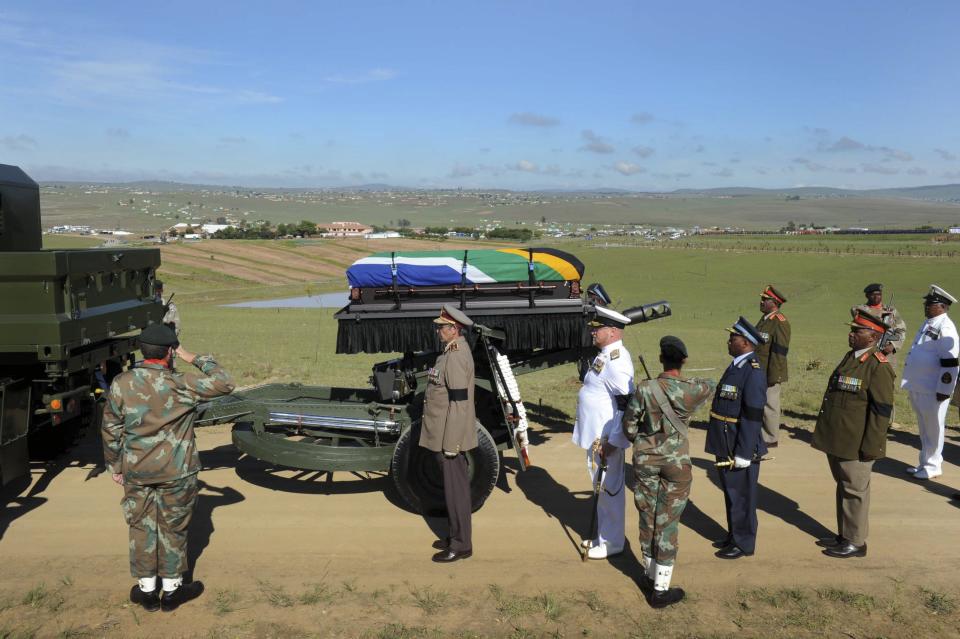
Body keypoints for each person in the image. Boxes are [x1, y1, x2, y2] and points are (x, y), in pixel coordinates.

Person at [101, 324, 234, 612]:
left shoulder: (122, 383)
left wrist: (115, 464)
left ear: (142, 351)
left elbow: (111, 427)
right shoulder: (182, 383)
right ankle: (172, 591)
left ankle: (146, 591)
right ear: (170, 352)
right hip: (178, 471)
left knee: (140, 525)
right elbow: (225, 383)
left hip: (136, 470)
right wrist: (193, 356)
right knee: (174, 528)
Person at [622, 336, 715, 608]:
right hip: (677, 464)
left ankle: (649, 576)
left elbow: (628, 428)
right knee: (668, 521)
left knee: (647, 515)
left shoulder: (645, 388)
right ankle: (661, 589)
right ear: (683, 360)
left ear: (661, 358)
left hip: (646, 461)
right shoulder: (692, 389)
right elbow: (711, 385)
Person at [811, 309, 895, 558]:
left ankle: (856, 542)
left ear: (873, 336)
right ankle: (845, 534)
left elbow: (881, 412)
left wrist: (872, 446)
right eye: (852, 329)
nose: (851, 333)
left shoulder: (878, 366)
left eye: (857, 331)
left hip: (858, 443)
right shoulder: (851, 357)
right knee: (845, 487)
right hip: (840, 439)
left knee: (855, 490)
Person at [572, 306, 634, 559]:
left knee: (609, 490)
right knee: (600, 487)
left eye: (597, 328)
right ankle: (603, 537)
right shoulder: (605, 355)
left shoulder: (617, 360)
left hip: (606, 439)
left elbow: (626, 404)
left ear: (612, 331)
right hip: (599, 436)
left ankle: (611, 542)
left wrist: (615, 441)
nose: (592, 332)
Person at [706, 316, 768, 560]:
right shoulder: (737, 366)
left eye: (733, 338)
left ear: (745, 342)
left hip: (739, 444)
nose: (728, 341)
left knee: (742, 496)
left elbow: (753, 416)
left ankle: (744, 543)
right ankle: (734, 535)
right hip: (726, 440)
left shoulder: (752, 372)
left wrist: (744, 452)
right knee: (732, 493)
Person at [419, 304, 477, 563]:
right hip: (445, 434)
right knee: (456, 490)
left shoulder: (455, 356)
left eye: (441, 327)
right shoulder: (450, 352)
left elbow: (459, 402)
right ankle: (457, 535)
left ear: (454, 329)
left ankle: (461, 545)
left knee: (456, 493)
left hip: (448, 437)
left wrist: (452, 443)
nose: (438, 331)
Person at [901, 285, 960, 480]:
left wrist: (945, 389)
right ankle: (925, 463)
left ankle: (934, 466)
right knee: (925, 428)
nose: (926, 306)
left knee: (934, 428)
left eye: (930, 304)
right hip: (920, 385)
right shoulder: (930, 322)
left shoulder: (946, 326)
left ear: (942, 306)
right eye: (926, 303)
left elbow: (951, 362)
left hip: (934, 388)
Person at [755, 285, 790, 447]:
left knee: (770, 404)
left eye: (765, 299)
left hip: (770, 370)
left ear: (774, 302)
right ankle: (760, 432)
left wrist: (774, 375)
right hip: (759, 368)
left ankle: (770, 438)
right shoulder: (765, 320)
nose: (761, 302)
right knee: (761, 403)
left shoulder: (780, 322)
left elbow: (779, 352)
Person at [852, 283, 906, 357]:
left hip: (886, 352)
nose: (876, 297)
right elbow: (854, 310)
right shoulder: (861, 310)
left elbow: (901, 330)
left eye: (879, 294)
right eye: (873, 294)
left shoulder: (892, 311)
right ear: (867, 296)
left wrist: (893, 345)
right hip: (864, 351)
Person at [578, 283, 612, 381]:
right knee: (593, 373)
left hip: (596, 348)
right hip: (590, 347)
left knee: (595, 372)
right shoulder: (590, 311)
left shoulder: (596, 311)